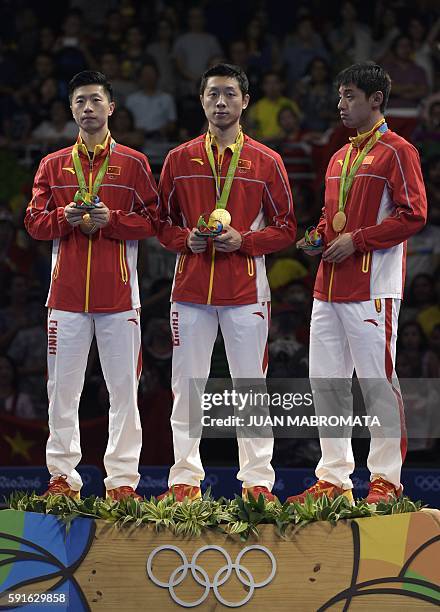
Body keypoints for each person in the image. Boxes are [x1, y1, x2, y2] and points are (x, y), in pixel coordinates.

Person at [157, 63, 296, 502]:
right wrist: (184, 239)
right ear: (201, 101)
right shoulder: (178, 159)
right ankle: (184, 482)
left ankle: (257, 482)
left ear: (245, 101)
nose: (221, 102)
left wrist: (246, 240)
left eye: (230, 94)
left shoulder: (267, 160)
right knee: (187, 387)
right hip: (192, 289)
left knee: (250, 386)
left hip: (245, 291)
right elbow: (159, 222)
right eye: (213, 94)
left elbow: (287, 227)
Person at [290, 62, 427, 505]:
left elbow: (414, 214)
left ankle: (386, 480)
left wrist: (358, 241)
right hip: (328, 287)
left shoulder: (399, 151)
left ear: (376, 99)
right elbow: (335, 221)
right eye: (340, 95)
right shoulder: (338, 157)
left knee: (376, 382)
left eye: (350, 96)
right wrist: (320, 235)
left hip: (373, 287)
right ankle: (334, 478)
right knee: (325, 382)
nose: (341, 104)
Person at [25, 71, 158, 501]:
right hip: (65, 299)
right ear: (71, 109)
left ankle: (121, 481)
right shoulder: (53, 164)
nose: (87, 108)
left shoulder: (134, 163)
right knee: (62, 391)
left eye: (95, 100)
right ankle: (63, 478)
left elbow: (154, 222)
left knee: (124, 391)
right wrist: (63, 216)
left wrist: (112, 221)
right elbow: (33, 222)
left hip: (119, 298)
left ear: (111, 107)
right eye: (80, 101)